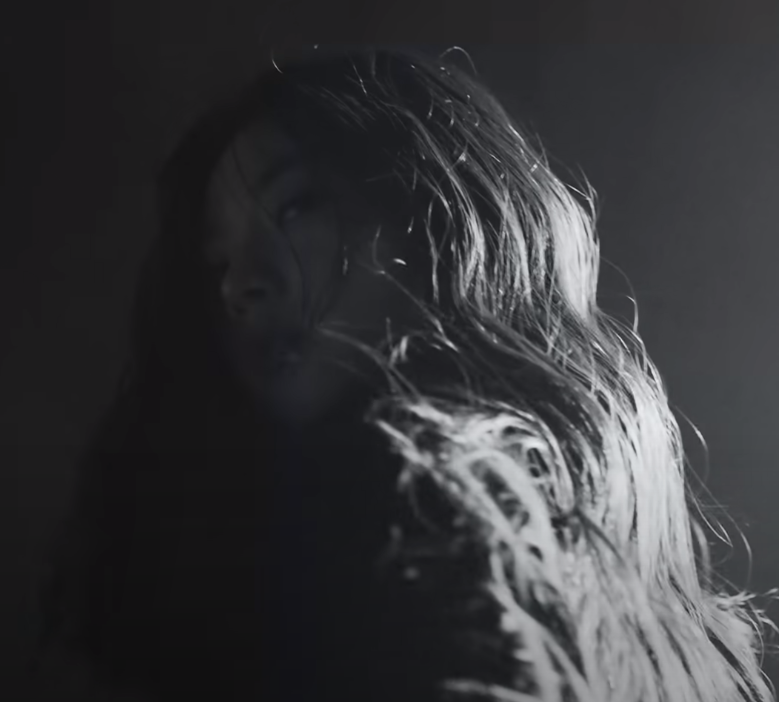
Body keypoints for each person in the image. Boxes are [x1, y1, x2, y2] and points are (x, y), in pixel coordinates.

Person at [28, 45, 777, 702]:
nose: (239, 285)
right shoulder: (698, 639)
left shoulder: (410, 533)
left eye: (295, 209)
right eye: (215, 259)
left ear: (441, 220)